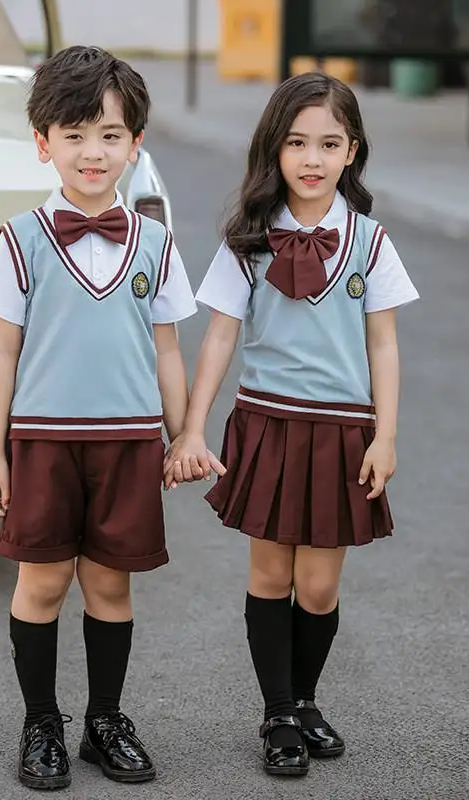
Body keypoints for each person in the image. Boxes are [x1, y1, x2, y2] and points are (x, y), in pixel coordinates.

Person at [164, 72, 419, 777]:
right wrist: (192, 429)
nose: (312, 158)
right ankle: (277, 713)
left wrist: (387, 435)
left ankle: (306, 700)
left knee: (320, 587)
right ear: (274, 150)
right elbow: (218, 338)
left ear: (351, 152)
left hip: (343, 431)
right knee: (272, 574)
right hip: (270, 423)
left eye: (329, 144)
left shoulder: (369, 243)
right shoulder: (249, 241)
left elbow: (384, 344)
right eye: (297, 142)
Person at [0, 45, 197, 791]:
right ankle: (42, 723)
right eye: (73, 134)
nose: (92, 152)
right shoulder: (21, 241)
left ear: (136, 144)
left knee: (110, 587)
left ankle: (105, 720)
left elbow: (167, 350)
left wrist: (184, 432)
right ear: (43, 144)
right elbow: (1, 355)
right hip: (42, 441)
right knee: (40, 585)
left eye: (109, 135)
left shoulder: (156, 245)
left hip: (130, 441)